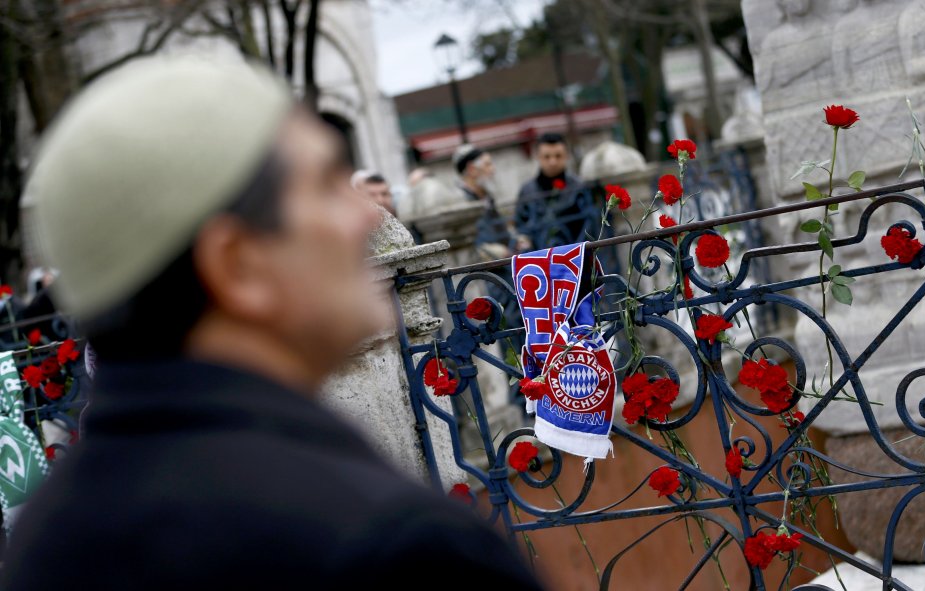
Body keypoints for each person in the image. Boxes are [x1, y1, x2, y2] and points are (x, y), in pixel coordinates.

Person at [3, 56, 542, 589]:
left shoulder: (44, 547)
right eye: (323, 186)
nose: (361, 215)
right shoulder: (399, 548)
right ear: (237, 265)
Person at [515, 133, 593, 251]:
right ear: (538, 157)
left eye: (558, 156)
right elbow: (521, 227)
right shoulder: (527, 191)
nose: (553, 162)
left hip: (576, 257)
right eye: (547, 157)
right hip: (539, 259)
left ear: (566, 156)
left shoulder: (578, 188)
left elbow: (589, 226)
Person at [453, 144, 514, 261]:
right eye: (487, 164)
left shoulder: (487, 195)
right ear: (471, 168)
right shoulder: (461, 201)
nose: (492, 169)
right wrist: (492, 251)